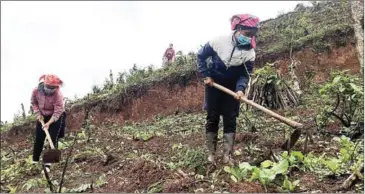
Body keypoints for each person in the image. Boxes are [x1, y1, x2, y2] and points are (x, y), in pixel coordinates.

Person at [197, 14, 260, 164]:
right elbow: (200, 56)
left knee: (230, 118)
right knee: (212, 117)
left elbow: (245, 74)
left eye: (252, 35)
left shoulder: (250, 52)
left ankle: (227, 155)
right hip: (214, 84)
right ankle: (211, 154)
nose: (249, 38)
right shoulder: (219, 41)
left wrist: (240, 89)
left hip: (232, 87)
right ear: (238, 29)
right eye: (246, 34)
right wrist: (206, 75)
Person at [31, 74, 67, 171]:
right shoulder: (36, 91)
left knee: (52, 136)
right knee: (39, 138)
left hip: (55, 117)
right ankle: (35, 161)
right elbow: (34, 103)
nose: (51, 89)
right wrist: (38, 114)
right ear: (44, 84)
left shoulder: (58, 95)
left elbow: (58, 111)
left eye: (53, 87)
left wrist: (49, 123)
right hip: (42, 116)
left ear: (56, 87)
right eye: (49, 87)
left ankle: (48, 164)